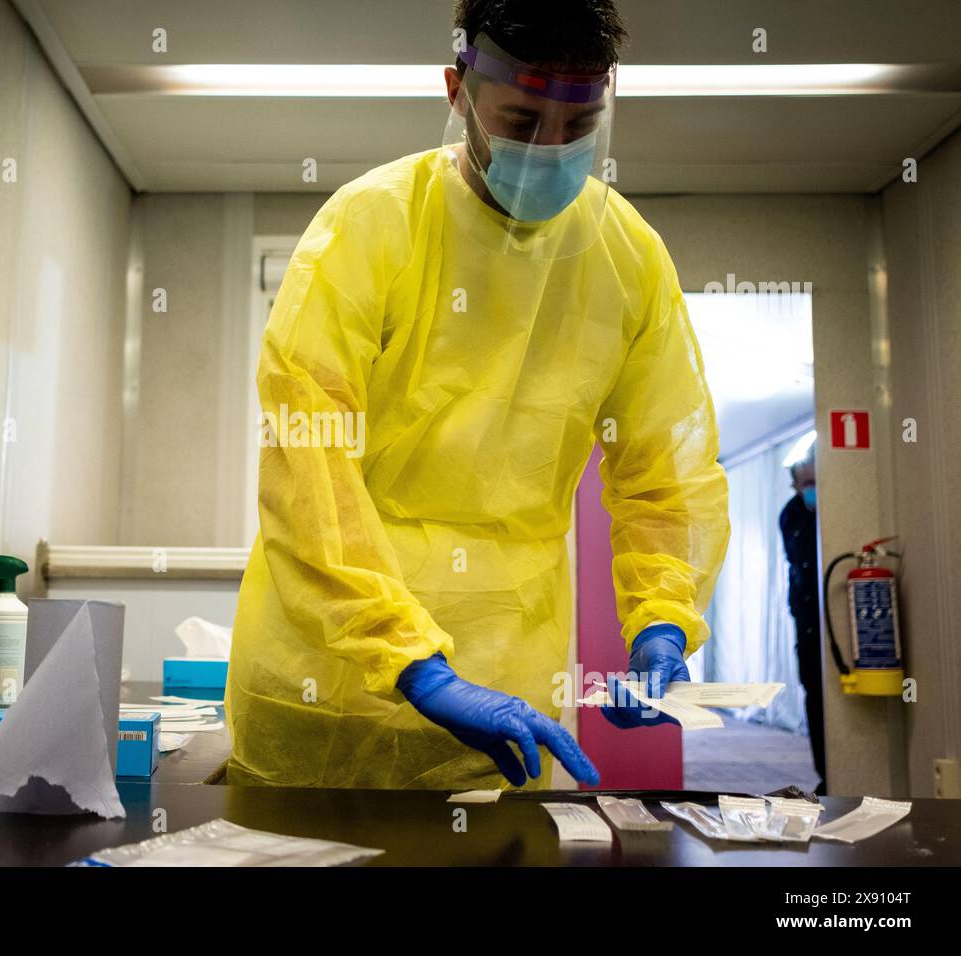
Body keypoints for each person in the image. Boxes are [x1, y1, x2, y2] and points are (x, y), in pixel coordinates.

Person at [225, 0, 730, 791]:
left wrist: (663, 619)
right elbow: (307, 463)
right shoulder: (369, 225)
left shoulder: (628, 259)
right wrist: (414, 665)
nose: (552, 149)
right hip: (328, 685)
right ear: (458, 90)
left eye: (578, 125)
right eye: (523, 120)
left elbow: (665, 468)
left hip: (509, 687)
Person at [780, 446, 825, 793]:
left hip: (831, 619)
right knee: (812, 692)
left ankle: (840, 767)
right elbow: (794, 565)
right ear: (795, 485)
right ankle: (824, 771)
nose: (811, 487)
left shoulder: (832, 510)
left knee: (832, 695)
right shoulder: (790, 515)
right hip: (805, 617)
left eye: (815, 481)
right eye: (805, 482)